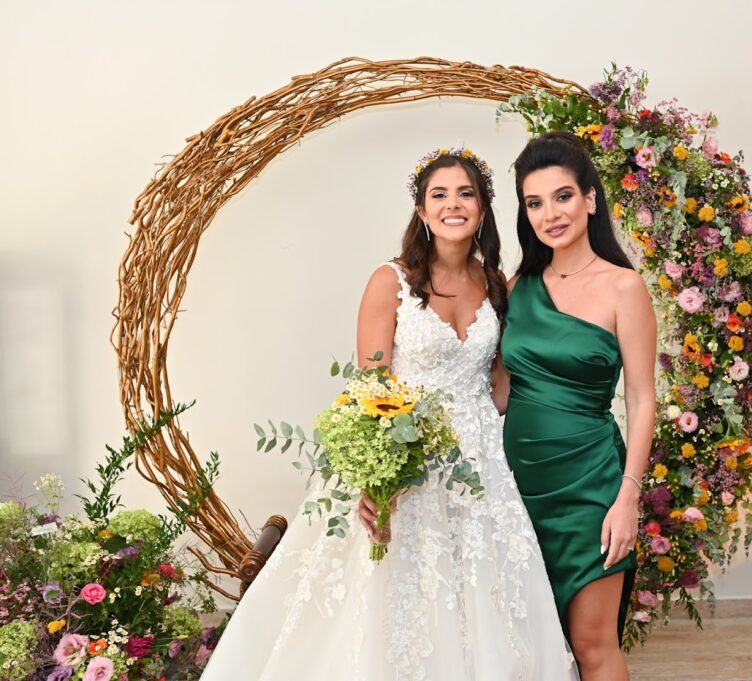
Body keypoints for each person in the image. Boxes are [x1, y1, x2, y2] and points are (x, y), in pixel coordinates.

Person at [200, 148, 578, 680]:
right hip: (403, 457)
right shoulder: (391, 281)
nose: (453, 205)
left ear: (484, 209)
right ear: (421, 212)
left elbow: (500, 386)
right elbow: (369, 389)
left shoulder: (496, 285)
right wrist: (376, 478)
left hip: (479, 466)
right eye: (439, 195)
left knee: (483, 598)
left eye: (466, 193)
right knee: (389, 603)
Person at [498, 132, 657, 681]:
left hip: (591, 487)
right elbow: (493, 391)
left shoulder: (624, 288)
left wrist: (627, 499)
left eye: (562, 197)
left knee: (593, 643)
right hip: (514, 490)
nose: (550, 214)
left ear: (591, 198)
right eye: (534, 203)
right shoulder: (516, 287)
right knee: (525, 642)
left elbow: (641, 396)